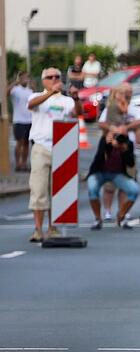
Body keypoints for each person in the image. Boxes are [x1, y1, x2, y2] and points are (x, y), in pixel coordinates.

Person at [27, 68, 76, 242]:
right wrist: (50, 93)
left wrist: (76, 97)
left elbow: (77, 113)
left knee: (58, 190)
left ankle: (53, 227)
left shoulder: (66, 100)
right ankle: (38, 229)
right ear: (43, 80)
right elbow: (31, 106)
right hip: (41, 146)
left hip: (62, 147)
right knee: (39, 189)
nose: (54, 79)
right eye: (50, 77)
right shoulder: (36, 97)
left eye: (57, 77)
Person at [96, 83, 140, 221]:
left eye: (130, 91)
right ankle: (107, 211)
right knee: (109, 185)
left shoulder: (135, 109)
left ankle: (123, 210)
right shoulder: (110, 109)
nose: (128, 94)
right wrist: (112, 128)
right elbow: (101, 123)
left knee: (127, 182)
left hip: (128, 151)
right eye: (125, 91)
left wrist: (125, 127)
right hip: (111, 151)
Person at [87, 128, 139, 230]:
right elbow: (99, 157)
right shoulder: (105, 140)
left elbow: (131, 163)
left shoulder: (128, 144)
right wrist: (108, 144)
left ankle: (121, 215)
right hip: (99, 172)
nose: (118, 139)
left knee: (134, 190)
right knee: (92, 188)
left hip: (117, 173)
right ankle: (98, 218)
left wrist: (125, 150)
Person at [9, 72, 34, 171]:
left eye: (26, 77)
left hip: (29, 120)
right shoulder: (15, 90)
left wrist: (34, 87)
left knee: (26, 143)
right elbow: (6, 92)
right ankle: (18, 164)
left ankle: (24, 164)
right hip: (18, 120)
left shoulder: (30, 91)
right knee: (19, 142)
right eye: (23, 77)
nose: (25, 79)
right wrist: (15, 82)